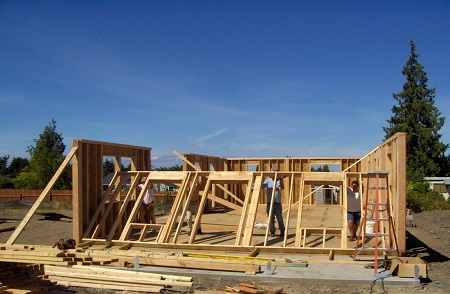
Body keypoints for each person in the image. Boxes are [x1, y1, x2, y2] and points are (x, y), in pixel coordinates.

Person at [262, 167, 285, 237]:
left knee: (279, 218)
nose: (273, 175)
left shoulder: (279, 180)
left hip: (277, 203)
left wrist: (281, 180)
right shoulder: (267, 180)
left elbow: (282, 188)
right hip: (269, 203)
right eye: (272, 173)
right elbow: (261, 187)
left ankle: (282, 230)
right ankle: (272, 231)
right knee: (271, 218)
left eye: (275, 173)